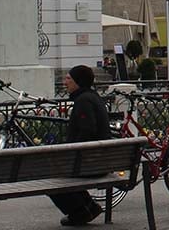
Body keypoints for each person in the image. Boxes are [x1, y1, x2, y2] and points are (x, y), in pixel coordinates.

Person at [50, 65, 110, 226]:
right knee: (61, 169)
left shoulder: (83, 101)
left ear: (78, 81)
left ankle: (79, 212)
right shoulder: (91, 97)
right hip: (99, 160)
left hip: (91, 163)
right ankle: (88, 207)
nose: (65, 82)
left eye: (68, 78)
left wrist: (70, 153)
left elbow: (87, 131)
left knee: (50, 176)